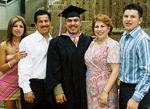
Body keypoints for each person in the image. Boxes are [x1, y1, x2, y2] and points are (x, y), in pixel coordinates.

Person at [46, 5, 93, 109]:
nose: (73, 23)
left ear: (80, 23)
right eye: (69, 21)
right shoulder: (56, 43)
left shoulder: (88, 40)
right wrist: (58, 91)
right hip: (65, 91)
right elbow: (53, 69)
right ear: (65, 23)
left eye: (76, 20)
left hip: (85, 89)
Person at [18, 10, 52, 109]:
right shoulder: (27, 41)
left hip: (48, 87)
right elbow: (23, 67)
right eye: (40, 21)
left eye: (46, 21)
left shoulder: (53, 41)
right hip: (33, 86)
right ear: (36, 24)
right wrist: (26, 89)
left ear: (50, 23)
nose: (44, 24)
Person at [85, 14, 120, 109]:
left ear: (108, 28)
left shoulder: (113, 45)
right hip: (91, 88)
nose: (99, 29)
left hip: (105, 87)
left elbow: (115, 71)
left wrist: (105, 91)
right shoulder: (92, 43)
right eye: (96, 26)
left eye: (102, 26)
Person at [119, 4, 150, 109]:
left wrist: (136, 98)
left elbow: (147, 72)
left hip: (137, 90)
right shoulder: (124, 36)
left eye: (132, 17)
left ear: (140, 20)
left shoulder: (143, 40)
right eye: (126, 16)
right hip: (124, 88)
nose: (128, 19)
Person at [0, 16, 27, 109]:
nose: (18, 29)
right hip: (7, 83)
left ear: (24, 29)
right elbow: (1, 68)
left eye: (21, 26)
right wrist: (15, 60)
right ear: (10, 28)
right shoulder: (4, 45)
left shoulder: (28, 43)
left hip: (23, 84)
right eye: (15, 26)